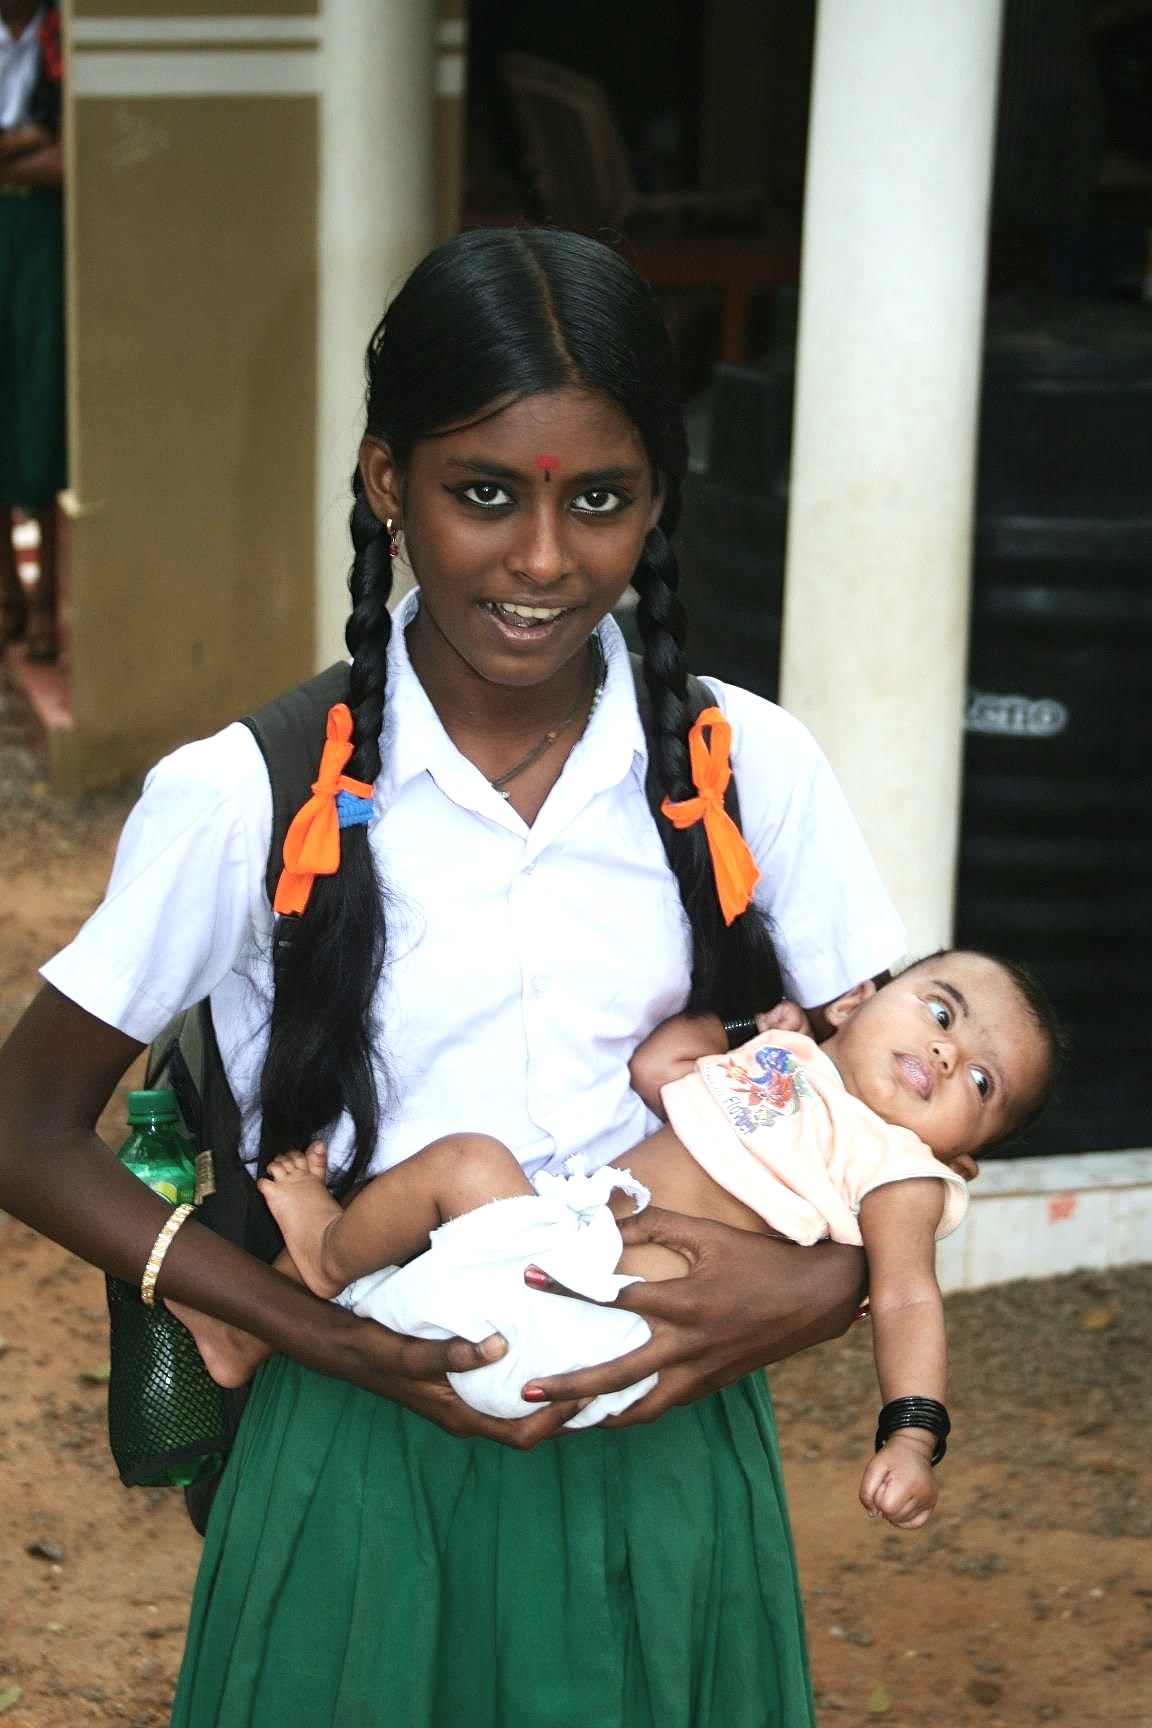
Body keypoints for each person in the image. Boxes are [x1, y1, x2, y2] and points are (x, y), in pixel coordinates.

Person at [0, 226, 913, 1728]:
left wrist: (809, 1293)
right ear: (386, 484)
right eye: (484, 493)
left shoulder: (752, 772)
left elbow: (904, 1118)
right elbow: (29, 1131)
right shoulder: (247, 796)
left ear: (657, 504)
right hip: (360, 1463)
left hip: (668, 1458)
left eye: (599, 501)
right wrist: (326, 1334)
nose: (544, 560)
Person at [184, 949, 1058, 1533]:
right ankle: (245, 1333)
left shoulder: (899, 1166)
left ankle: (327, 1249)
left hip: (609, 1326)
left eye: (982, 1081)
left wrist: (912, 1434)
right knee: (468, 1170)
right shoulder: (790, 1064)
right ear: (862, 999)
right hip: (551, 1254)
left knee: (459, 1170)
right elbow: (659, 1068)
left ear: (965, 1156)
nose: (946, 1055)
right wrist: (759, 1030)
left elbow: (907, 1295)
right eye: (940, 1012)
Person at [0, 0, 64, 662]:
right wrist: (26, 145)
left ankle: (46, 598)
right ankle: (7, 598)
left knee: (42, 404)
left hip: (44, 238)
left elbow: (74, 161)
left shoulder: (60, 32)